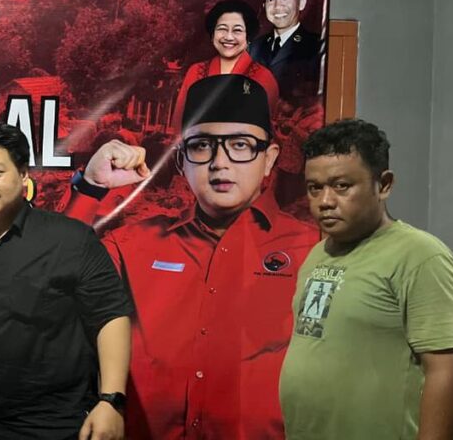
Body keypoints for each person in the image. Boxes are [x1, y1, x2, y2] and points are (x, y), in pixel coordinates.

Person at [67, 74, 319, 439]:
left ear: (269, 159)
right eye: (202, 146)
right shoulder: (132, 243)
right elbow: (56, 282)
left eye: (241, 145)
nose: (219, 162)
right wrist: (91, 188)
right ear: (181, 160)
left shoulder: (313, 250)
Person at [0, 119, 133, 440]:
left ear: (23, 174)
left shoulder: (71, 239)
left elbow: (111, 316)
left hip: (49, 426)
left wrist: (111, 400)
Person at [280, 119, 453, 439]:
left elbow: (448, 371)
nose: (325, 201)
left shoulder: (421, 257)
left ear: (383, 185)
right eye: (315, 187)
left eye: (342, 186)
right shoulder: (318, 254)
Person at [173, 0, 280, 131]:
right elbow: (178, 126)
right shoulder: (195, 72)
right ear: (212, 34)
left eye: (237, 30)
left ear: (249, 36)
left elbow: (267, 131)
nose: (229, 37)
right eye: (222, 29)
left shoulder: (264, 78)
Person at [249, 0, 324, 105]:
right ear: (264, 6)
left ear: (301, 3)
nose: (278, 6)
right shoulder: (255, 47)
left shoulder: (316, 46)